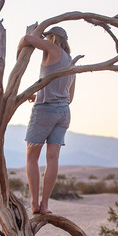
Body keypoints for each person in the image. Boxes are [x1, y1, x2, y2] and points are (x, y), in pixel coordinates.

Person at [17, 26, 76, 215]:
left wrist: (18, 58)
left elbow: (27, 39)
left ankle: (34, 204)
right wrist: (39, 95)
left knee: (31, 156)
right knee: (52, 159)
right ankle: (45, 204)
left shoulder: (52, 48)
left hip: (45, 111)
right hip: (63, 112)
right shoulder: (71, 63)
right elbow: (69, 97)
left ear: (52, 37)